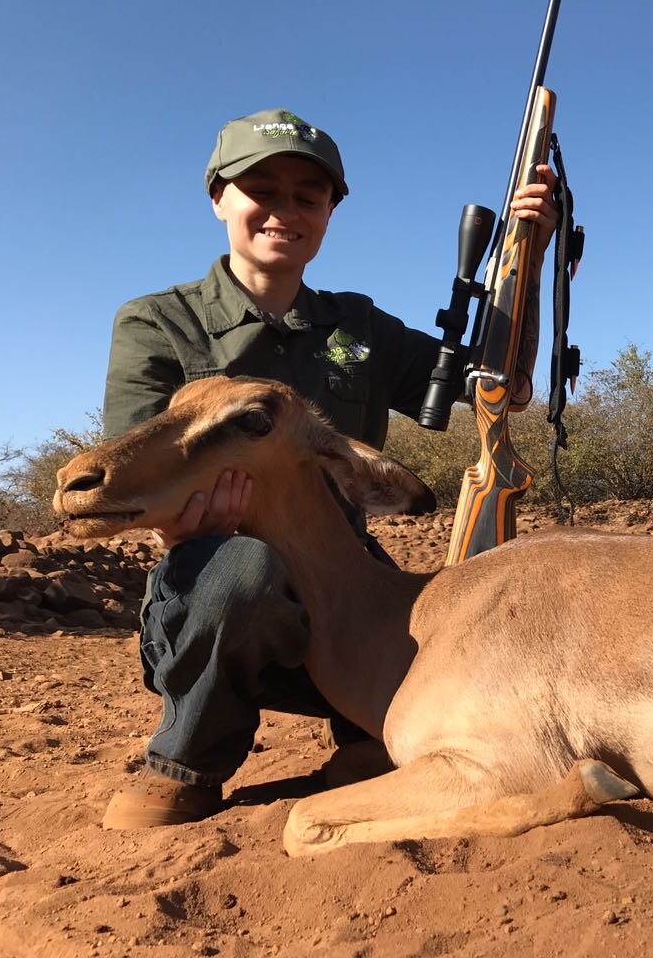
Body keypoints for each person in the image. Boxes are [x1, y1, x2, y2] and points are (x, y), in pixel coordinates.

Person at [99, 108, 558, 828]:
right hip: (210, 580)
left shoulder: (357, 327)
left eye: (307, 197)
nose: (285, 211)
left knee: (453, 608)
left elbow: (498, 387)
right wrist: (180, 519)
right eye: (262, 190)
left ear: (330, 211)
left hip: (341, 575)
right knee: (241, 572)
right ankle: (186, 761)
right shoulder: (159, 321)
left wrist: (526, 264)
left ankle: (374, 738)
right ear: (219, 198)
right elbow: (131, 473)